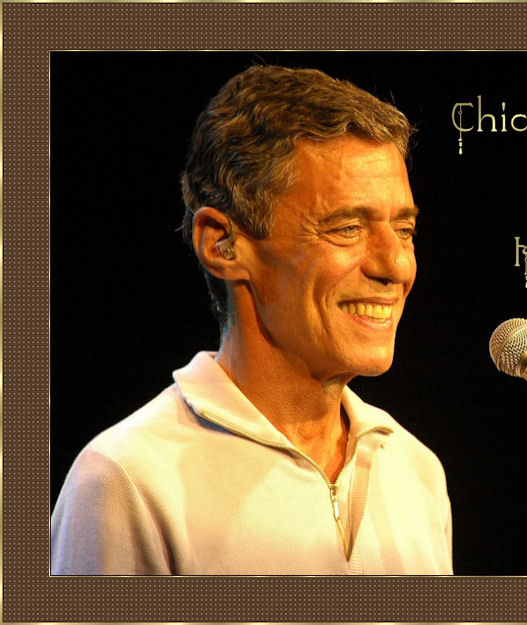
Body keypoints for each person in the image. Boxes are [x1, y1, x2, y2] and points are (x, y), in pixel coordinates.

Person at [50, 64, 453, 575]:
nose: (396, 266)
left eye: (404, 230)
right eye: (348, 227)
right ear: (223, 244)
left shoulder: (416, 472)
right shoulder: (127, 481)